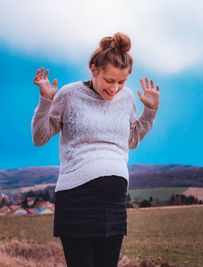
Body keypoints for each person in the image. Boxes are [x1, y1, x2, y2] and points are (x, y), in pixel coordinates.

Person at [31, 32, 159, 267]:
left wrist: (150, 112)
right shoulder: (69, 94)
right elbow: (40, 137)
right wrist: (46, 101)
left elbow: (131, 139)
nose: (115, 89)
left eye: (121, 82)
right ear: (93, 69)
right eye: (109, 81)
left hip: (114, 201)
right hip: (77, 197)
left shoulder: (127, 97)